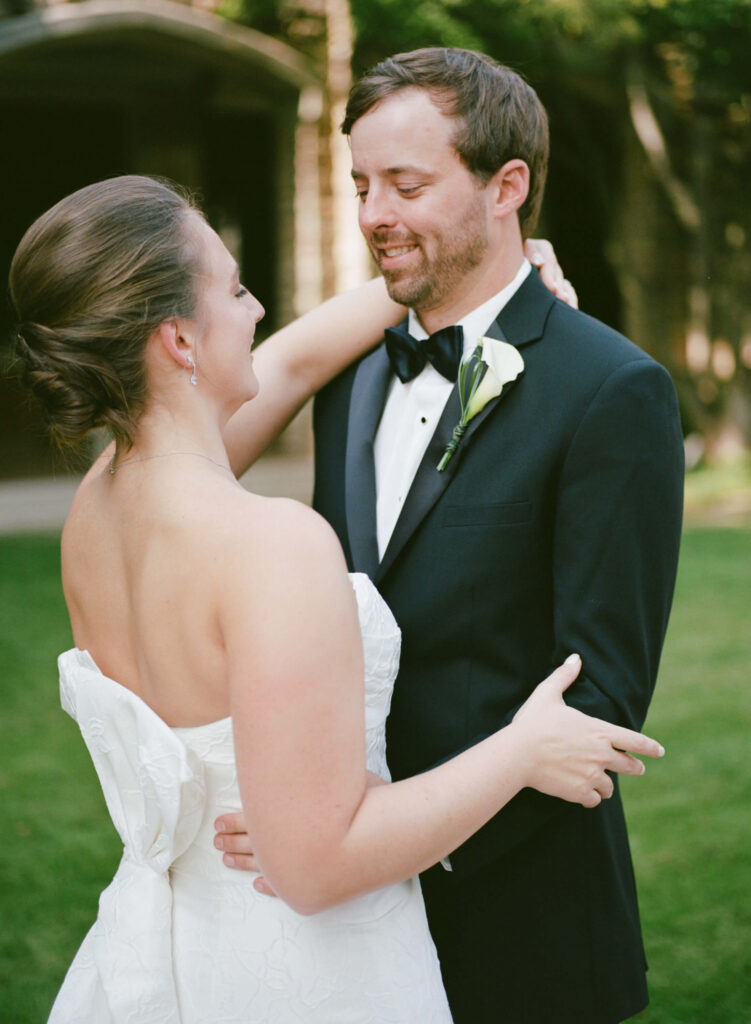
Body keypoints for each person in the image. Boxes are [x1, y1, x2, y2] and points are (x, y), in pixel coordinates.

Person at [10, 175, 665, 1024]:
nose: (258, 311)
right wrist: (520, 751)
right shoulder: (272, 544)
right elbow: (317, 865)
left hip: (178, 940)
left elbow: (290, 360)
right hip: (303, 965)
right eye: (236, 290)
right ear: (176, 339)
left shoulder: (95, 513)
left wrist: (487, 269)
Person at [216, 48, 684, 1023]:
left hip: (521, 933)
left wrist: (369, 838)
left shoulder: (611, 390)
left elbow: (596, 701)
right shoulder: (352, 378)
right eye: (360, 185)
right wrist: (313, 815)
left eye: (406, 184)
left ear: (506, 187)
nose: (372, 213)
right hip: (341, 935)